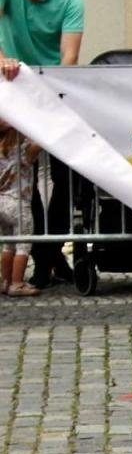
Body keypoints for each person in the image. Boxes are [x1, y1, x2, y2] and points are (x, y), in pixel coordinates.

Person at [0, 0, 85, 288]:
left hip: (52, 90)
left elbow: (70, 55)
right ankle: (42, 256)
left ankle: (49, 254)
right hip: (16, 90)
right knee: (25, 183)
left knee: (66, 179)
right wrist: (3, 58)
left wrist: (51, 114)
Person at [1, 56, 42, 297]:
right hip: (18, 202)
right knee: (23, 242)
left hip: (0, 201)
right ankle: (17, 282)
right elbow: (40, 142)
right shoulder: (22, 148)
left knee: (7, 242)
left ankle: (4, 281)